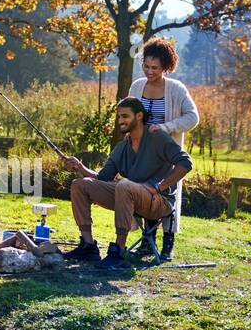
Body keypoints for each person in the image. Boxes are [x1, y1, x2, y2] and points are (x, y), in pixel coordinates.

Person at [61, 98, 193, 270]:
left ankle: (119, 252)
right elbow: (102, 178)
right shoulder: (122, 146)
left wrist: (159, 186)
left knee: (124, 185)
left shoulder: (156, 136)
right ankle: (88, 246)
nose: (120, 121)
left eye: (125, 116)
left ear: (139, 116)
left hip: (158, 200)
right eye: (119, 117)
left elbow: (186, 163)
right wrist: (79, 166)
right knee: (80, 184)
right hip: (129, 195)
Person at [129, 37, 199, 261]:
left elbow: (192, 117)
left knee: (167, 192)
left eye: (155, 68)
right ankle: (147, 241)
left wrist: (167, 127)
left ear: (166, 67)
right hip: (142, 151)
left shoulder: (176, 89)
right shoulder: (137, 86)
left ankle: (168, 244)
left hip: (168, 153)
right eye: (146, 66)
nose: (150, 71)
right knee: (143, 192)